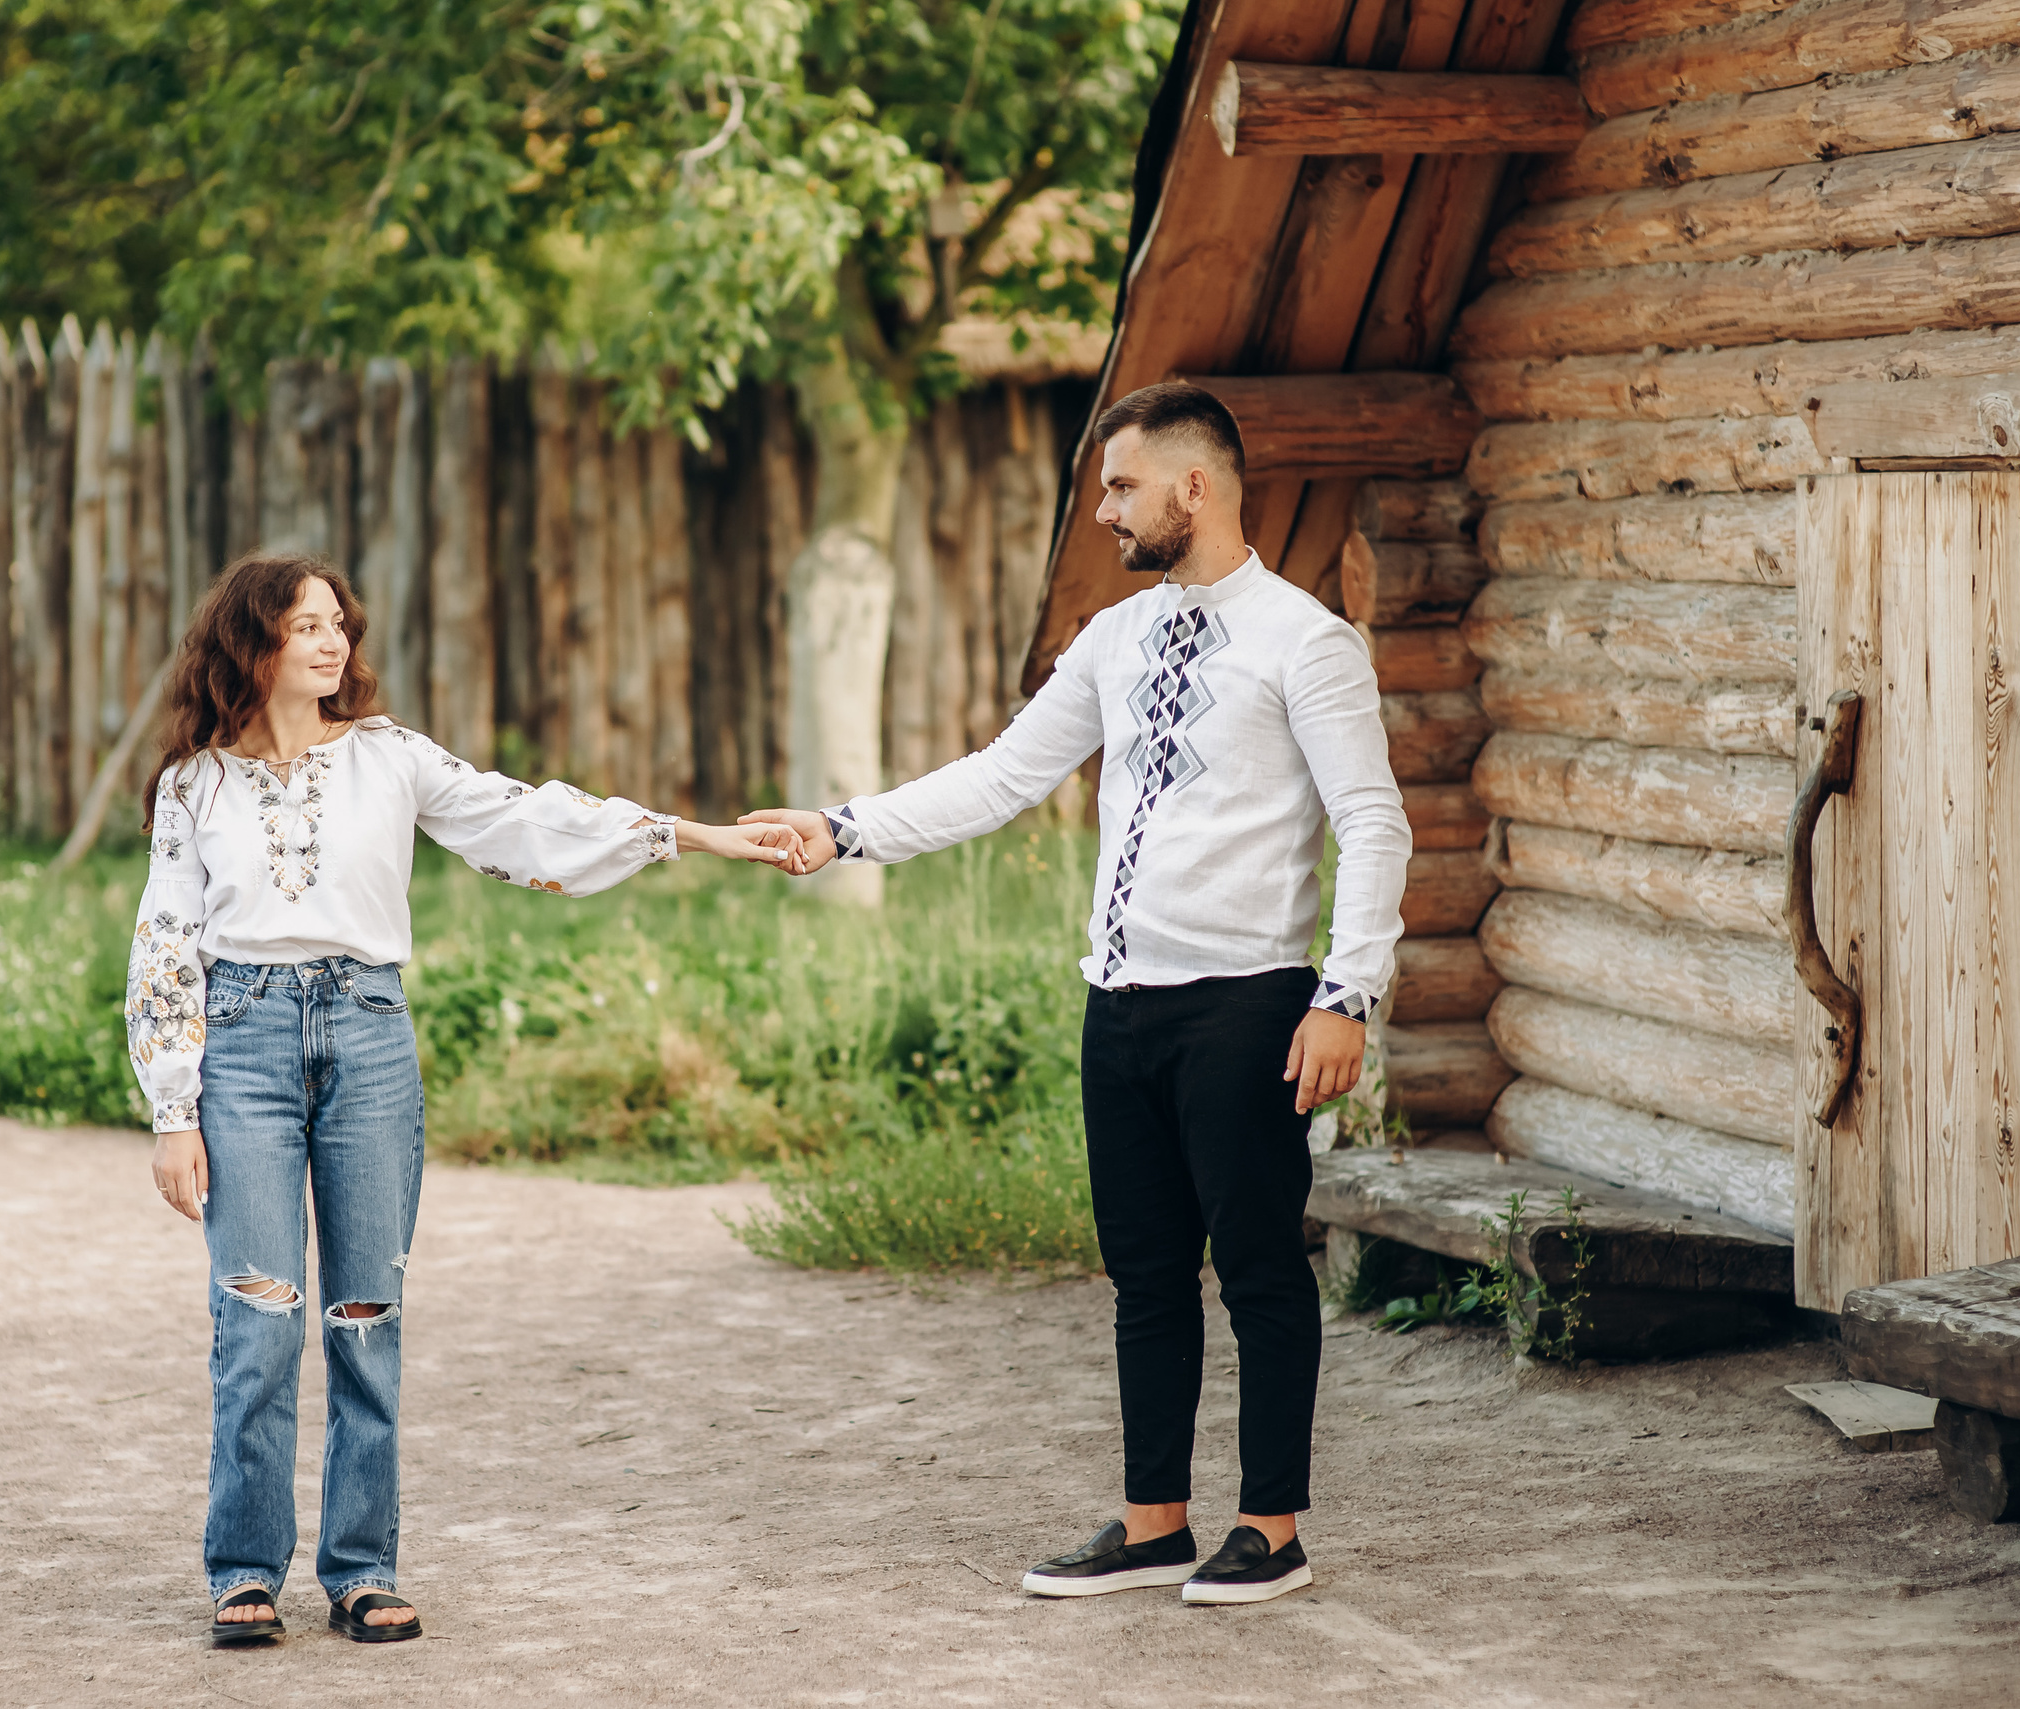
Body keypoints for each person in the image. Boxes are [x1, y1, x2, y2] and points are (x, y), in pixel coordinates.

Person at [745, 381, 1408, 1606]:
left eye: (1119, 486)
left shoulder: (1305, 641)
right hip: (1120, 1004)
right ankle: (1153, 1519)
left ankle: (1274, 1525)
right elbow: (1001, 778)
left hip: (1247, 1002)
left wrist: (1345, 992)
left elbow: (1372, 819)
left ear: (1192, 487)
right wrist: (844, 830)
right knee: (1144, 1273)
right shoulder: (1113, 638)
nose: (1101, 509)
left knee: (1259, 1264)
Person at [127, 553, 806, 1647]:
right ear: (249, 640)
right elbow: (164, 940)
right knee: (255, 1316)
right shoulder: (194, 784)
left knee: (366, 1318)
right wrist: (172, 1105)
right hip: (242, 1043)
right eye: (304, 624)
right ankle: (244, 1569)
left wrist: (695, 834)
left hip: (368, 1036)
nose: (331, 640)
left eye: (337, 621)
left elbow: (525, 820)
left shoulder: (390, 758)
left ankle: (361, 1568)